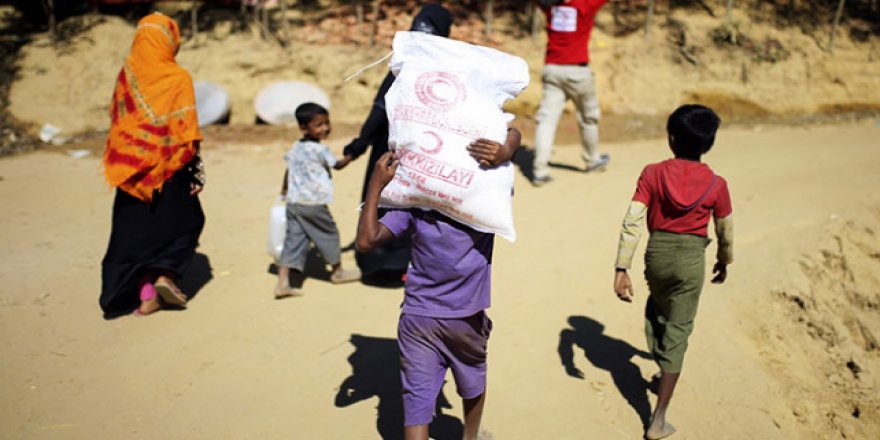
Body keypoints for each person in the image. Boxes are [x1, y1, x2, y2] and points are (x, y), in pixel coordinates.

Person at [355, 127, 521, 440]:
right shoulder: (484, 206)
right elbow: (513, 133)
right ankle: (470, 436)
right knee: (472, 381)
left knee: (416, 401)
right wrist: (506, 149)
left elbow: (366, 241)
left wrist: (376, 185)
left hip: (417, 317)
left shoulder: (414, 210)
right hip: (465, 318)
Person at [612, 104, 734, 439]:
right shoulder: (717, 184)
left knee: (659, 307)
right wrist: (725, 260)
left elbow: (633, 220)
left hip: (658, 256)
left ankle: (663, 362)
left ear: (671, 138)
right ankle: (658, 418)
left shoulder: (652, 173)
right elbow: (725, 230)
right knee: (679, 329)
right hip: (692, 258)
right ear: (709, 143)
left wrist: (622, 266)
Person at [100, 13, 206, 319]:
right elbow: (186, 131)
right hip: (169, 168)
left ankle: (145, 296)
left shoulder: (127, 76)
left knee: (137, 234)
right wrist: (195, 171)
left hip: (131, 169)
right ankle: (164, 277)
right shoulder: (177, 77)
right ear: (169, 40)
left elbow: (118, 120)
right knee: (187, 223)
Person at [335, 3, 453, 278]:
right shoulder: (446, 70)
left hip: (388, 153)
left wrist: (359, 145)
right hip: (426, 155)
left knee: (383, 201)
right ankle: (406, 266)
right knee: (414, 208)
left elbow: (379, 111)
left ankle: (375, 261)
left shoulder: (402, 66)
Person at [274, 102, 360, 298]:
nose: (325, 128)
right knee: (328, 234)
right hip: (313, 203)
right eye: (319, 125)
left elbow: (289, 170)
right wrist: (351, 155)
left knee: (293, 240)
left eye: (326, 123)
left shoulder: (296, 147)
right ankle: (337, 272)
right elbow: (337, 165)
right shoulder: (320, 150)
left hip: (294, 202)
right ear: (304, 128)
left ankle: (282, 282)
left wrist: (284, 190)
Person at [532, 0, 611, 186]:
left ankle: (540, 171)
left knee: (546, 120)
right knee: (588, 118)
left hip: (552, 69)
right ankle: (592, 161)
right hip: (578, 72)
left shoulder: (550, 5)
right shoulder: (585, 5)